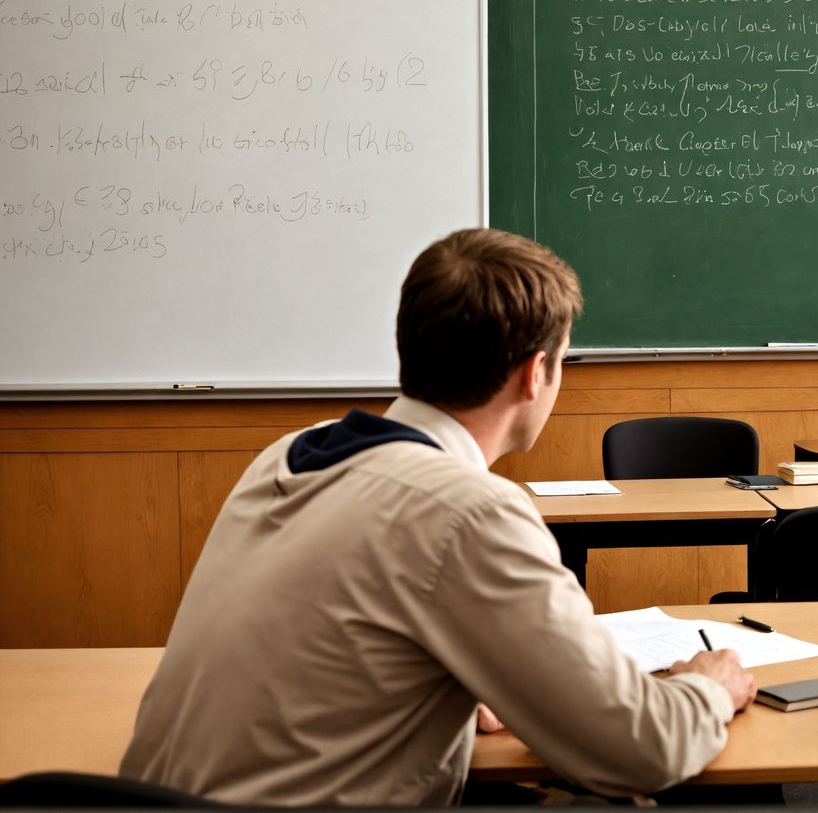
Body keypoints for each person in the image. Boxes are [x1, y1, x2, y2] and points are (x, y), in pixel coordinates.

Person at [120, 229, 756, 805]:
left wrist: (456, 676)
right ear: (535, 373)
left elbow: (346, 637)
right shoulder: (468, 510)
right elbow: (636, 751)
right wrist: (710, 688)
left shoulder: (289, 456)